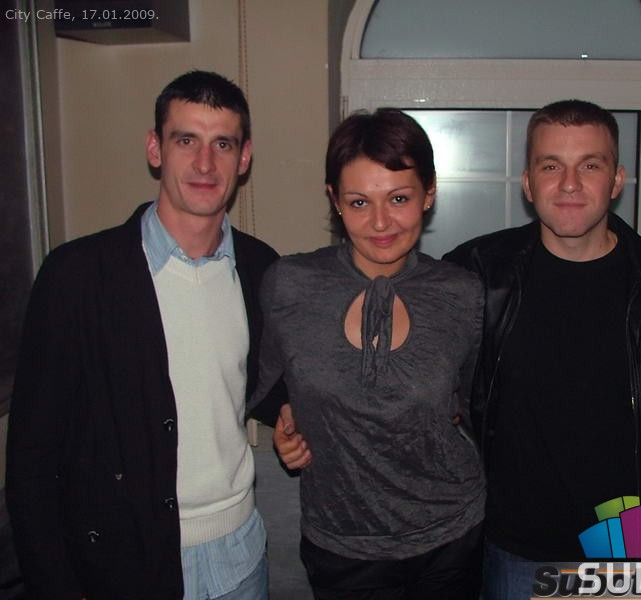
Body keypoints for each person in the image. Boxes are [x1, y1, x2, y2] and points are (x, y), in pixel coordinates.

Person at [443, 100, 641, 598]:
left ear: (617, 180)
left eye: (590, 165)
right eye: (552, 166)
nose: (570, 184)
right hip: (515, 555)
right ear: (528, 183)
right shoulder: (476, 273)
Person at [6, 70, 279, 599]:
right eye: (186, 140)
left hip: (241, 556)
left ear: (244, 158)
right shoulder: (77, 276)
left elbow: (258, 385)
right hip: (123, 563)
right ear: (156, 148)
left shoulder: (261, 267)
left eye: (223, 144)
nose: (205, 163)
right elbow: (31, 458)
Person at [251, 108, 486, 599]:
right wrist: (289, 419)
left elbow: (472, 403)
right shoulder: (290, 285)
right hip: (342, 545)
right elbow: (264, 380)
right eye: (359, 202)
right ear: (334, 200)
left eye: (399, 198)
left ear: (429, 193)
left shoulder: (462, 294)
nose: (380, 222)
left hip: (452, 536)